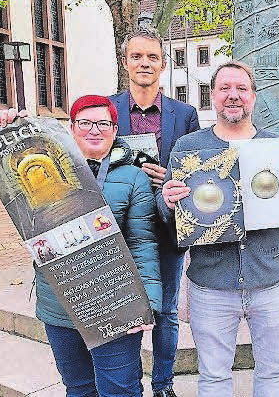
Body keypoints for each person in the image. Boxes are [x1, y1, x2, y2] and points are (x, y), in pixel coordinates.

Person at [0, 96, 162, 397]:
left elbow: (143, 243)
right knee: (78, 389)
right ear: (71, 127)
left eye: (103, 123)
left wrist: (149, 304)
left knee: (120, 390)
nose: (94, 130)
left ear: (115, 129)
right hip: (60, 305)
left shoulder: (132, 177)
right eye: (85, 123)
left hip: (116, 304)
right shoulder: (38, 168)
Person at [158, 61, 279, 396]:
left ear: (253, 97)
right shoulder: (188, 148)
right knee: (214, 376)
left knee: (273, 373)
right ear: (212, 96)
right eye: (225, 89)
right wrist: (167, 201)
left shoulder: (277, 146)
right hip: (211, 285)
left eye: (242, 89)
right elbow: (167, 214)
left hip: (269, 280)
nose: (234, 96)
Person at [109, 27, 200, 397]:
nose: (144, 63)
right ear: (125, 61)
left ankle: (163, 384)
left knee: (165, 312)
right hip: (120, 229)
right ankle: (128, 383)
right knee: (123, 312)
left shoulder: (185, 113)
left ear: (163, 64)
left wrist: (171, 178)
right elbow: (92, 163)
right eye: (137, 56)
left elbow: (196, 170)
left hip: (167, 227)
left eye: (152, 57)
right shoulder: (108, 109)